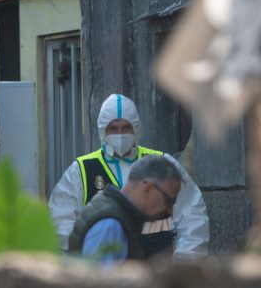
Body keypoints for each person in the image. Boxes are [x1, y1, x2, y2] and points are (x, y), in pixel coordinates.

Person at [49, 93, 209, 260]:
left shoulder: (162, 164)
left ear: (136, 129)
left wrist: (181, 267)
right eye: (113, 128)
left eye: (126, 127)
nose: (120, 134)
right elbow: (60, 227)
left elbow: (193, 217)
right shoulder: (81, 170)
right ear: (103, 131)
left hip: (159, 268)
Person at [68, 155, 182, 264]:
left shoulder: (118, 214)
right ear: (148, 189)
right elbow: (98, 282)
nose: (169, 211)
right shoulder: (110, 225)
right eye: (168, 201)